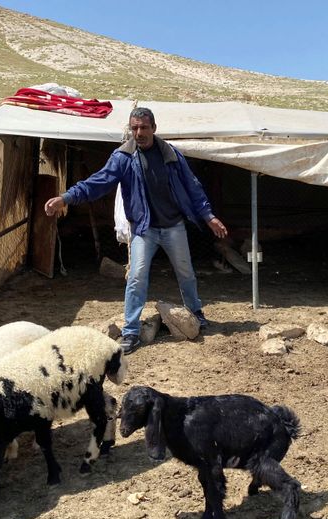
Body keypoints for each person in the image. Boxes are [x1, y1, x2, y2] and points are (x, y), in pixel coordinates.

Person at [44, 107, 229, 354]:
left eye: (143, 127)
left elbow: (192, 187)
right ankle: (131, 332)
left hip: (173, 225)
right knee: (137, 277)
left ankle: (195, 313)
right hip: (144, 228)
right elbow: (98, 182)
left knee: (186, 272)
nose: (138, 132)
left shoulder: (170, 154)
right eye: (134, 128)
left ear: (154, 128)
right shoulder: (123, 157)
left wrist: (209, 216)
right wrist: (66, 198)